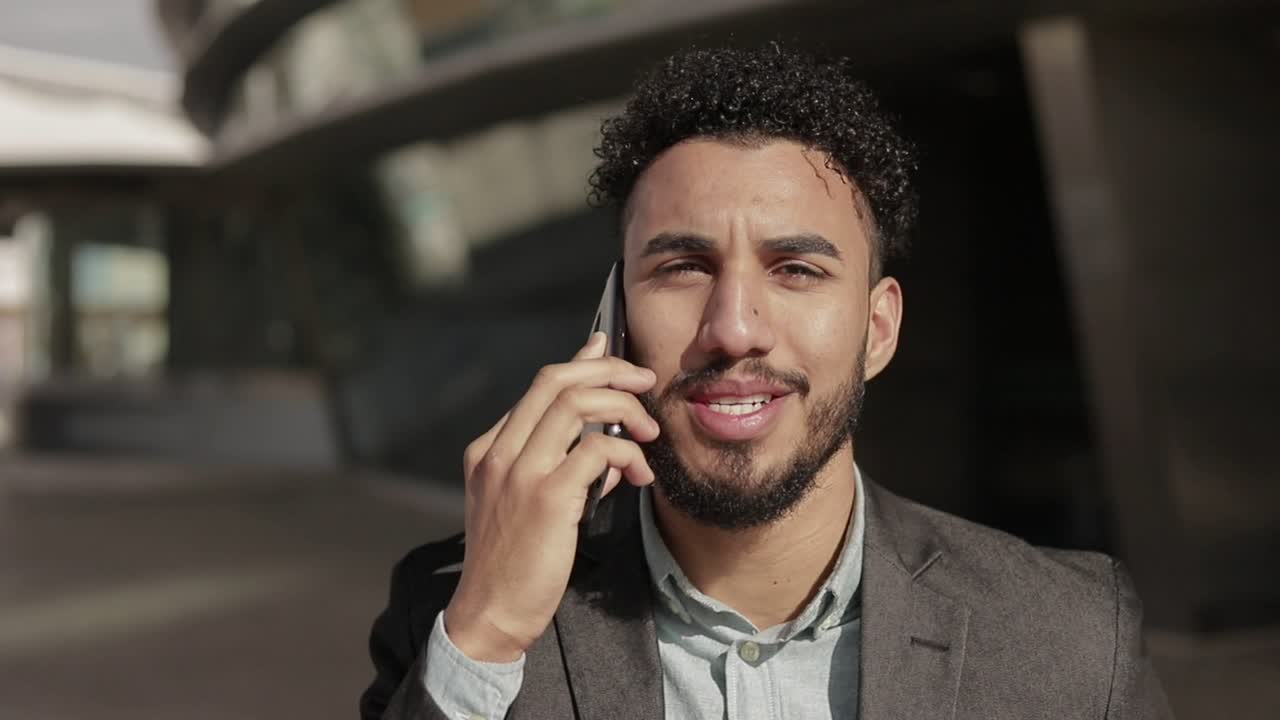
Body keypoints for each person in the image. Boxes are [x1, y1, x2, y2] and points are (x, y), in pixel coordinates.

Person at [360, 44, 1172, 720]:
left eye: (796, 269)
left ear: (878, 329)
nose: (735, 328)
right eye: (682, 267)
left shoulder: (1069, 637)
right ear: (612, 318)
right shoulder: (455, 612)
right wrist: (488, 631)